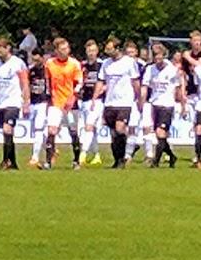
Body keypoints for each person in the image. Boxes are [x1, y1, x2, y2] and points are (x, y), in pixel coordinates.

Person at [0, 37, 29, 170]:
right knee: (7, 132)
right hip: (0, 103)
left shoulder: (18, 63)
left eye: (0, 50)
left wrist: (26, 102)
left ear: (7, 48)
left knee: (8, 129)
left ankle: (6, 160)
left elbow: (25, 83)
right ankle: (13, 162)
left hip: (13, 101)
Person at [95, 36, 141, 169]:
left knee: (120, 128)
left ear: (118, 49)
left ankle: (124, 155)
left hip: (124, 101)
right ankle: (118, 159)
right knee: (114, 134)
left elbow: (135, 81)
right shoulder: (106, 63)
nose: (107, 51)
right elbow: (101, 81)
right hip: (110, 102)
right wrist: (95, 97)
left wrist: (138, 98)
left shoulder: (129, 62)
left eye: (110, 49)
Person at [43, 36, 83, 169]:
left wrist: (73, 97)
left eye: (67, 48)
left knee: (73, 131)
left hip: (71, 103)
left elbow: (79, 83)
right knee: (51, 130)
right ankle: (48, 161)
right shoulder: (49, 64)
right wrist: (48, 99)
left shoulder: (74, 64)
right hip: (56, 102)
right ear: (56, 51)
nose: (65, 51)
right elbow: (48, 82)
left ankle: (76, 160)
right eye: (62, 49)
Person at [141, 41, 182, 168]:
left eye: (160, 55)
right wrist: (142, 102)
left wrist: (182, 103)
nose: (157, 58)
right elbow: (145, 86)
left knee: (160, 132)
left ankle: (156, 161)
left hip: (167, 105)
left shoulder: (172, 70)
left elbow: (178, 87)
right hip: (155, 105)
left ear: (164, 55)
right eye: (155, 55)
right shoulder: (150, 69)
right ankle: (172, 156)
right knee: (159, 135)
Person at [78, 39, 105, 167]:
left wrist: (98, 93)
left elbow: (107, 83)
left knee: (89, 126)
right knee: (91, 129)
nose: (91, 53)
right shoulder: (82, 66)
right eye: (89, 51)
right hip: (84, 100)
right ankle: (97, 155)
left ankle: (82, 155)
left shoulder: (102, 65)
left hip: (98, 101)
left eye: (93, 50)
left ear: (97, 51)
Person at [26, 47, 51, 168]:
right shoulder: (30, 71)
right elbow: (26, 86)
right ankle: (51, 148)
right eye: (33, 60)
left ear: (42, 58)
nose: (35, 62)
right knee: (39, 130)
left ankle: (35, 157)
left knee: (38, 129)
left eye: (37, 60)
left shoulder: (47, 71)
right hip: (33, 102)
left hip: (43, 102)